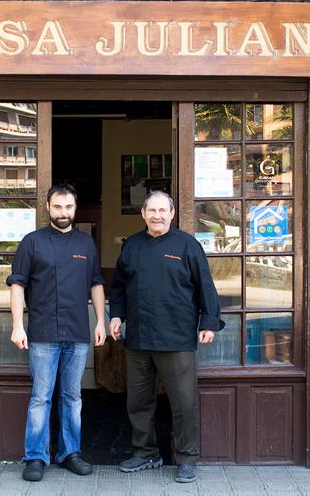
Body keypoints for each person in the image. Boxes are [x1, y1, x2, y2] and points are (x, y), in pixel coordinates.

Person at [109, 190, 223, 484]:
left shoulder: (187, 245)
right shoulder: (132, 246)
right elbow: (118, 287)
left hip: (176, 337)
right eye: (152, 210)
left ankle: (186, 458)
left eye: (163, 210)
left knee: (183, 402)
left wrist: (208, 322)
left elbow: (205, 287)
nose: (157, 215)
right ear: (143, 213)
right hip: (138, 337)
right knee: (138, 401)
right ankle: (146, 453)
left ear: (172, 214)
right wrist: (117, 316)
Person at [7, 183, 107, 482]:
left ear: (75, 209)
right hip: (42, 334)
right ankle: (36, 457)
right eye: (58, 207)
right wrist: (17, 325)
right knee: (41, 397)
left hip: (77, 333)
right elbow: (17, 285)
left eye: (69, 207)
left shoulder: (86, 244)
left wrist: (101, 320)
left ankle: (69, 453)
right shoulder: (32, 242)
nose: (63, 212)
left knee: (72, 397)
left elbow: (96, 284)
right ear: (48, 207)